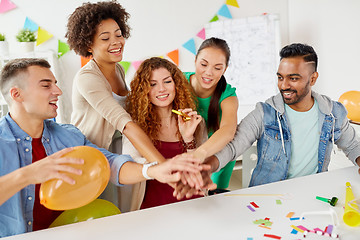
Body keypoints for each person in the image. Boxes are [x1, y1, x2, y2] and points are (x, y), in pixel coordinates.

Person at [0, 58, 203, 238]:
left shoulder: (68, 135)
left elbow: (110, 164)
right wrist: (27, 175)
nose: (58, 92)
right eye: (46, 86)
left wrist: (152, 170)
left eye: (56, 84)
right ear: (17, 94)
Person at [185, 43, 360, 196]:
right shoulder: (265, 112)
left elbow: (353, 145)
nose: (284, 85)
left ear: (313, 78)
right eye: (280, 77)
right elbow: (233, 146)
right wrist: (206, 168)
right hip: (268, 198)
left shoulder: (333, 113)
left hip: (311, 194)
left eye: (293, 78)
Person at [65, 1, 171, 209]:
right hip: (94, 156)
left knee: (127, 212)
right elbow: (126, 123)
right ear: (88, 44)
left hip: (120, 154)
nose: (116, 42)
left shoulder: (118, 70)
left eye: (119, 34)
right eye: (105, 38)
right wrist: (163, 166)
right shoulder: (87, 78)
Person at [124, 57, 214, 209]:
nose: (161, 89)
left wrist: (188, 138)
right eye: (153, 84)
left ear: (176, 85)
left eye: (167, 81)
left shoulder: (194, 120)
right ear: (144, 90)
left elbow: (203, 169)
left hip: (194, 204)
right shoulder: (134, 126)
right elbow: (130, 165)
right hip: (153, 208)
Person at [184, 37, 239, 190]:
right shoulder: (178, 82)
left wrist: (200, 154)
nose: (208, 72)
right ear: (195, 60)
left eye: (217, 67)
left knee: (213, 201)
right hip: (186, 154)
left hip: (216, 156)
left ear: (225, 69)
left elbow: (228, 131)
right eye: (203, 64)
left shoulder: (228, 96)